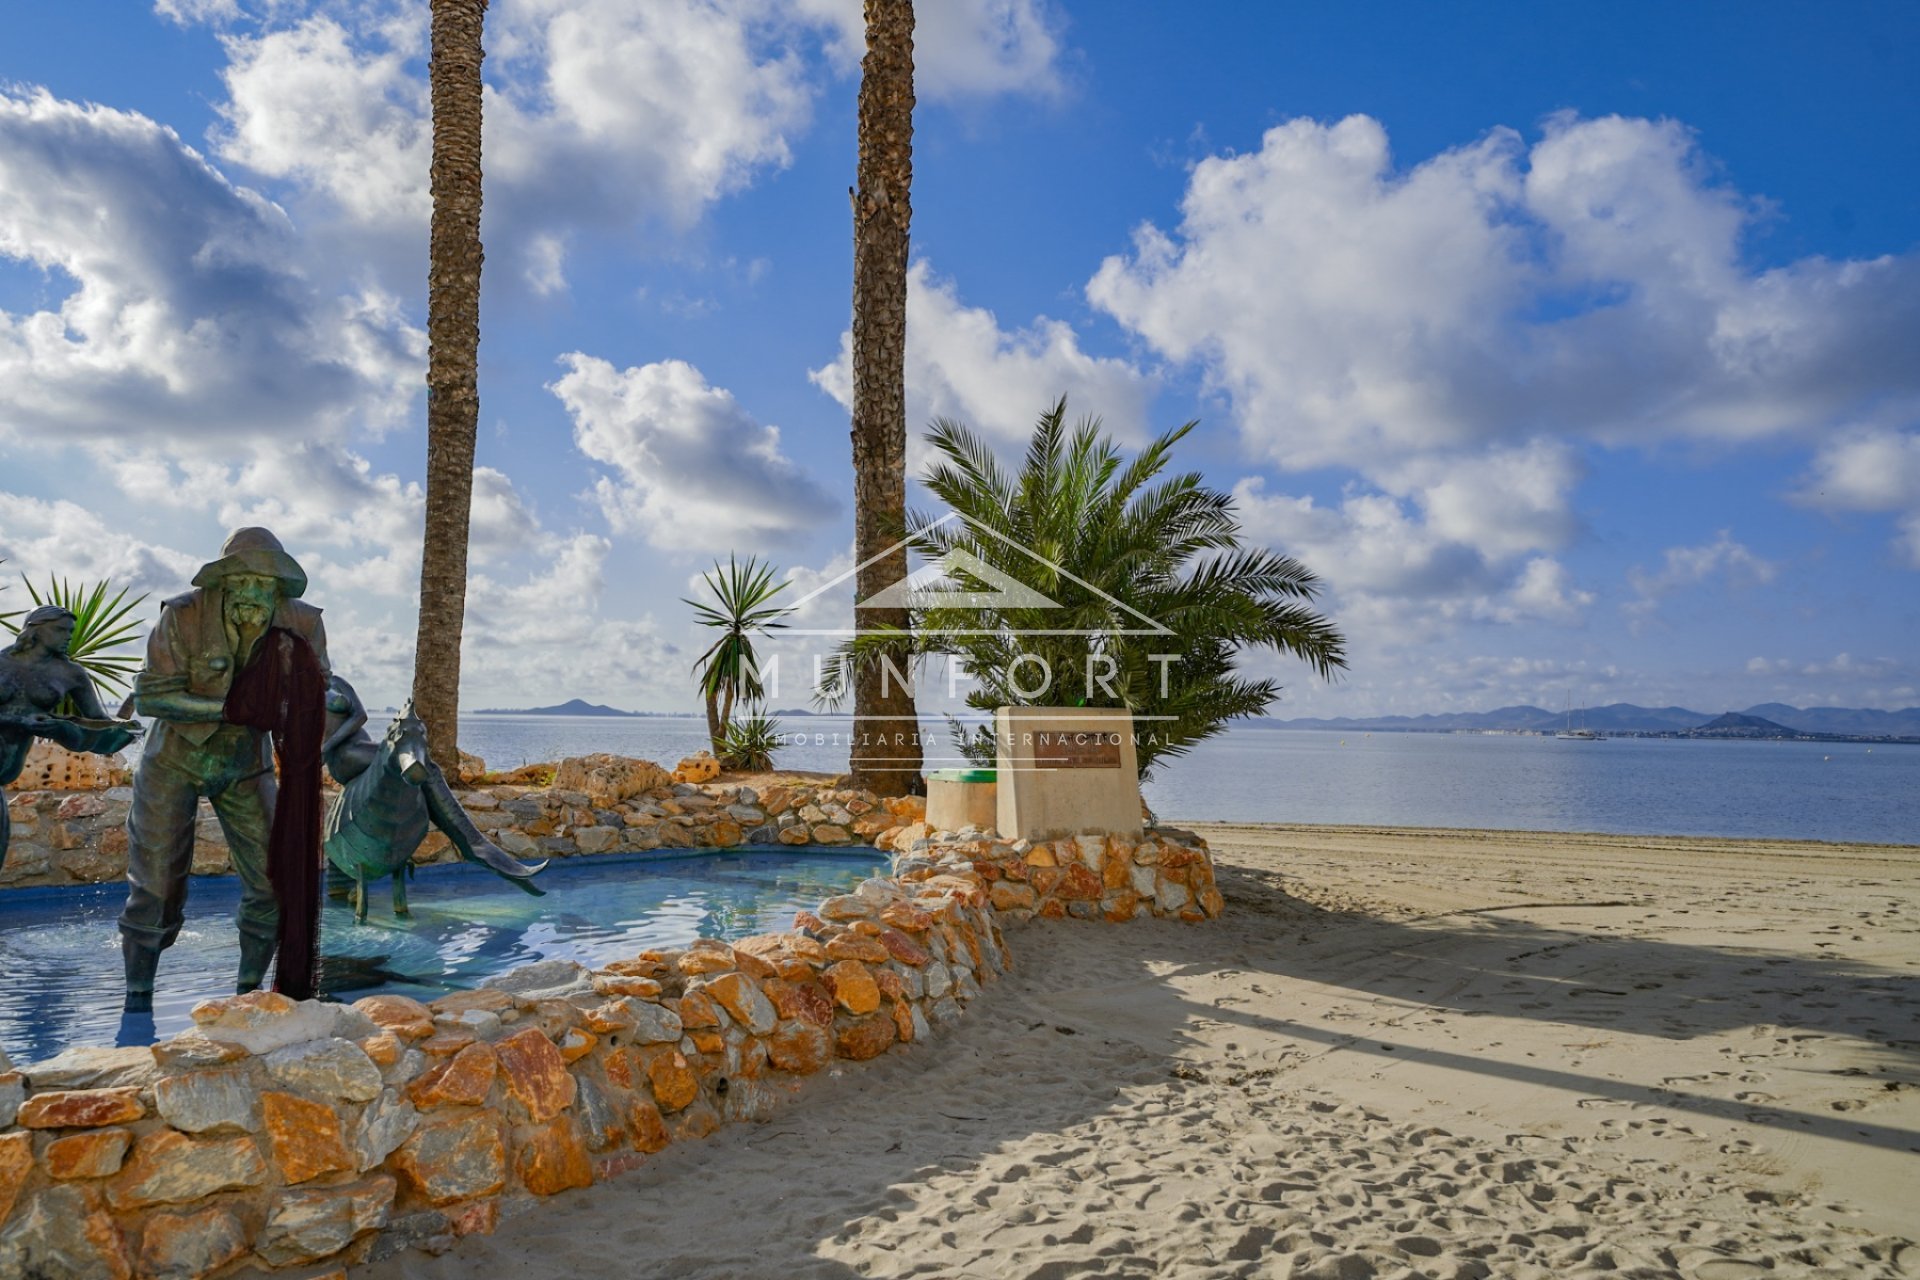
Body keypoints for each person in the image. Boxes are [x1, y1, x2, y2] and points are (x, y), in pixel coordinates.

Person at [120, 528, 329, 1011]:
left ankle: (249, 994)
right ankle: (137, 998)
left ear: (279, 586)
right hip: (173, 760)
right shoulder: (183, 615)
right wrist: (236, 708)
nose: (253, 592)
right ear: (224, 581)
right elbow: (151, 698)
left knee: (273, 881)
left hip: (245, 764)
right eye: (243, 580)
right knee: (156, 888)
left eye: (264, 582)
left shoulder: (302, 621)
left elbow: (322, 687)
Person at [0, 606, 141, 864]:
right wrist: (20, 721)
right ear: (35, 629)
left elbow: (98, 722)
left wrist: (131, 713)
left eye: (70, 631)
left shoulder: (71, 673)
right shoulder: (1, 662)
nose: (67, 637)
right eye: (60, 630)